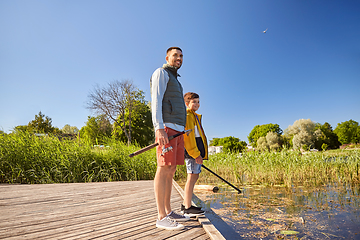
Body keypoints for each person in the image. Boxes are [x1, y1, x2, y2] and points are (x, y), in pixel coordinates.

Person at [150, 47, 190, 230]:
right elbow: (156, 101)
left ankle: (168, 211)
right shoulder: (161, 73)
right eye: (176, 55)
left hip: (178, 130)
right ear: (167, 57)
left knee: (171, 169)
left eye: (181, 56)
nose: (179, 58)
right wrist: (159, 129)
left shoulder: (176, 80)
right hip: (166, 128)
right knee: (163, 168)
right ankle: (160, 216)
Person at [181, 92, 208, 217]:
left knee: (194, 177)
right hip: (193, 153)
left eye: (198, 101)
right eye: (194, 102)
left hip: (196, 153)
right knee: (191, 178)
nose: (197, 104)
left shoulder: (195, 116)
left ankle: (186, 203)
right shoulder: (188, 116)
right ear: (187, 104)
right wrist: (195, 154)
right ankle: (187, 208)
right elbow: (189, 138)